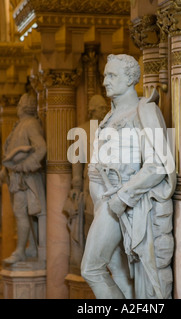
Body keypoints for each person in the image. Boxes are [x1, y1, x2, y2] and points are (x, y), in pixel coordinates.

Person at [80, 54, 176, 299]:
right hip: (103, 202)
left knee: (91, 268)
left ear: (131, 78)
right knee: (118, 269)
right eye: (104, 75)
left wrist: (123, 197)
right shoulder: (109, 116)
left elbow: (157, 165)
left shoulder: (143, 112)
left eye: (112, 75)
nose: (105, 82)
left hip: (120, 203)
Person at [0, 92, 47, 265]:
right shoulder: (21, 124)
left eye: (19, 104)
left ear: (25, 106)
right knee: (25, 213)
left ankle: (20, 251)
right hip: (17, 178)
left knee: (23, 213)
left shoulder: (30, 124)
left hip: (26, 178)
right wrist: (6, 169)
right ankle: (30, 248)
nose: (17, 107)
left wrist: (25, 166)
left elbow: (41, 148)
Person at [64, 94, 110, 275]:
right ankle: (91, 258)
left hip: (110, 182)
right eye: (101, 108)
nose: (105, 110)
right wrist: (75, 185)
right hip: (89, 182)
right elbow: (76, 161)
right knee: (90, 218)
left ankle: (105, 259)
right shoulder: (81, 131)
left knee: (108, 220)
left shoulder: (110, 129)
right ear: (92, 109)